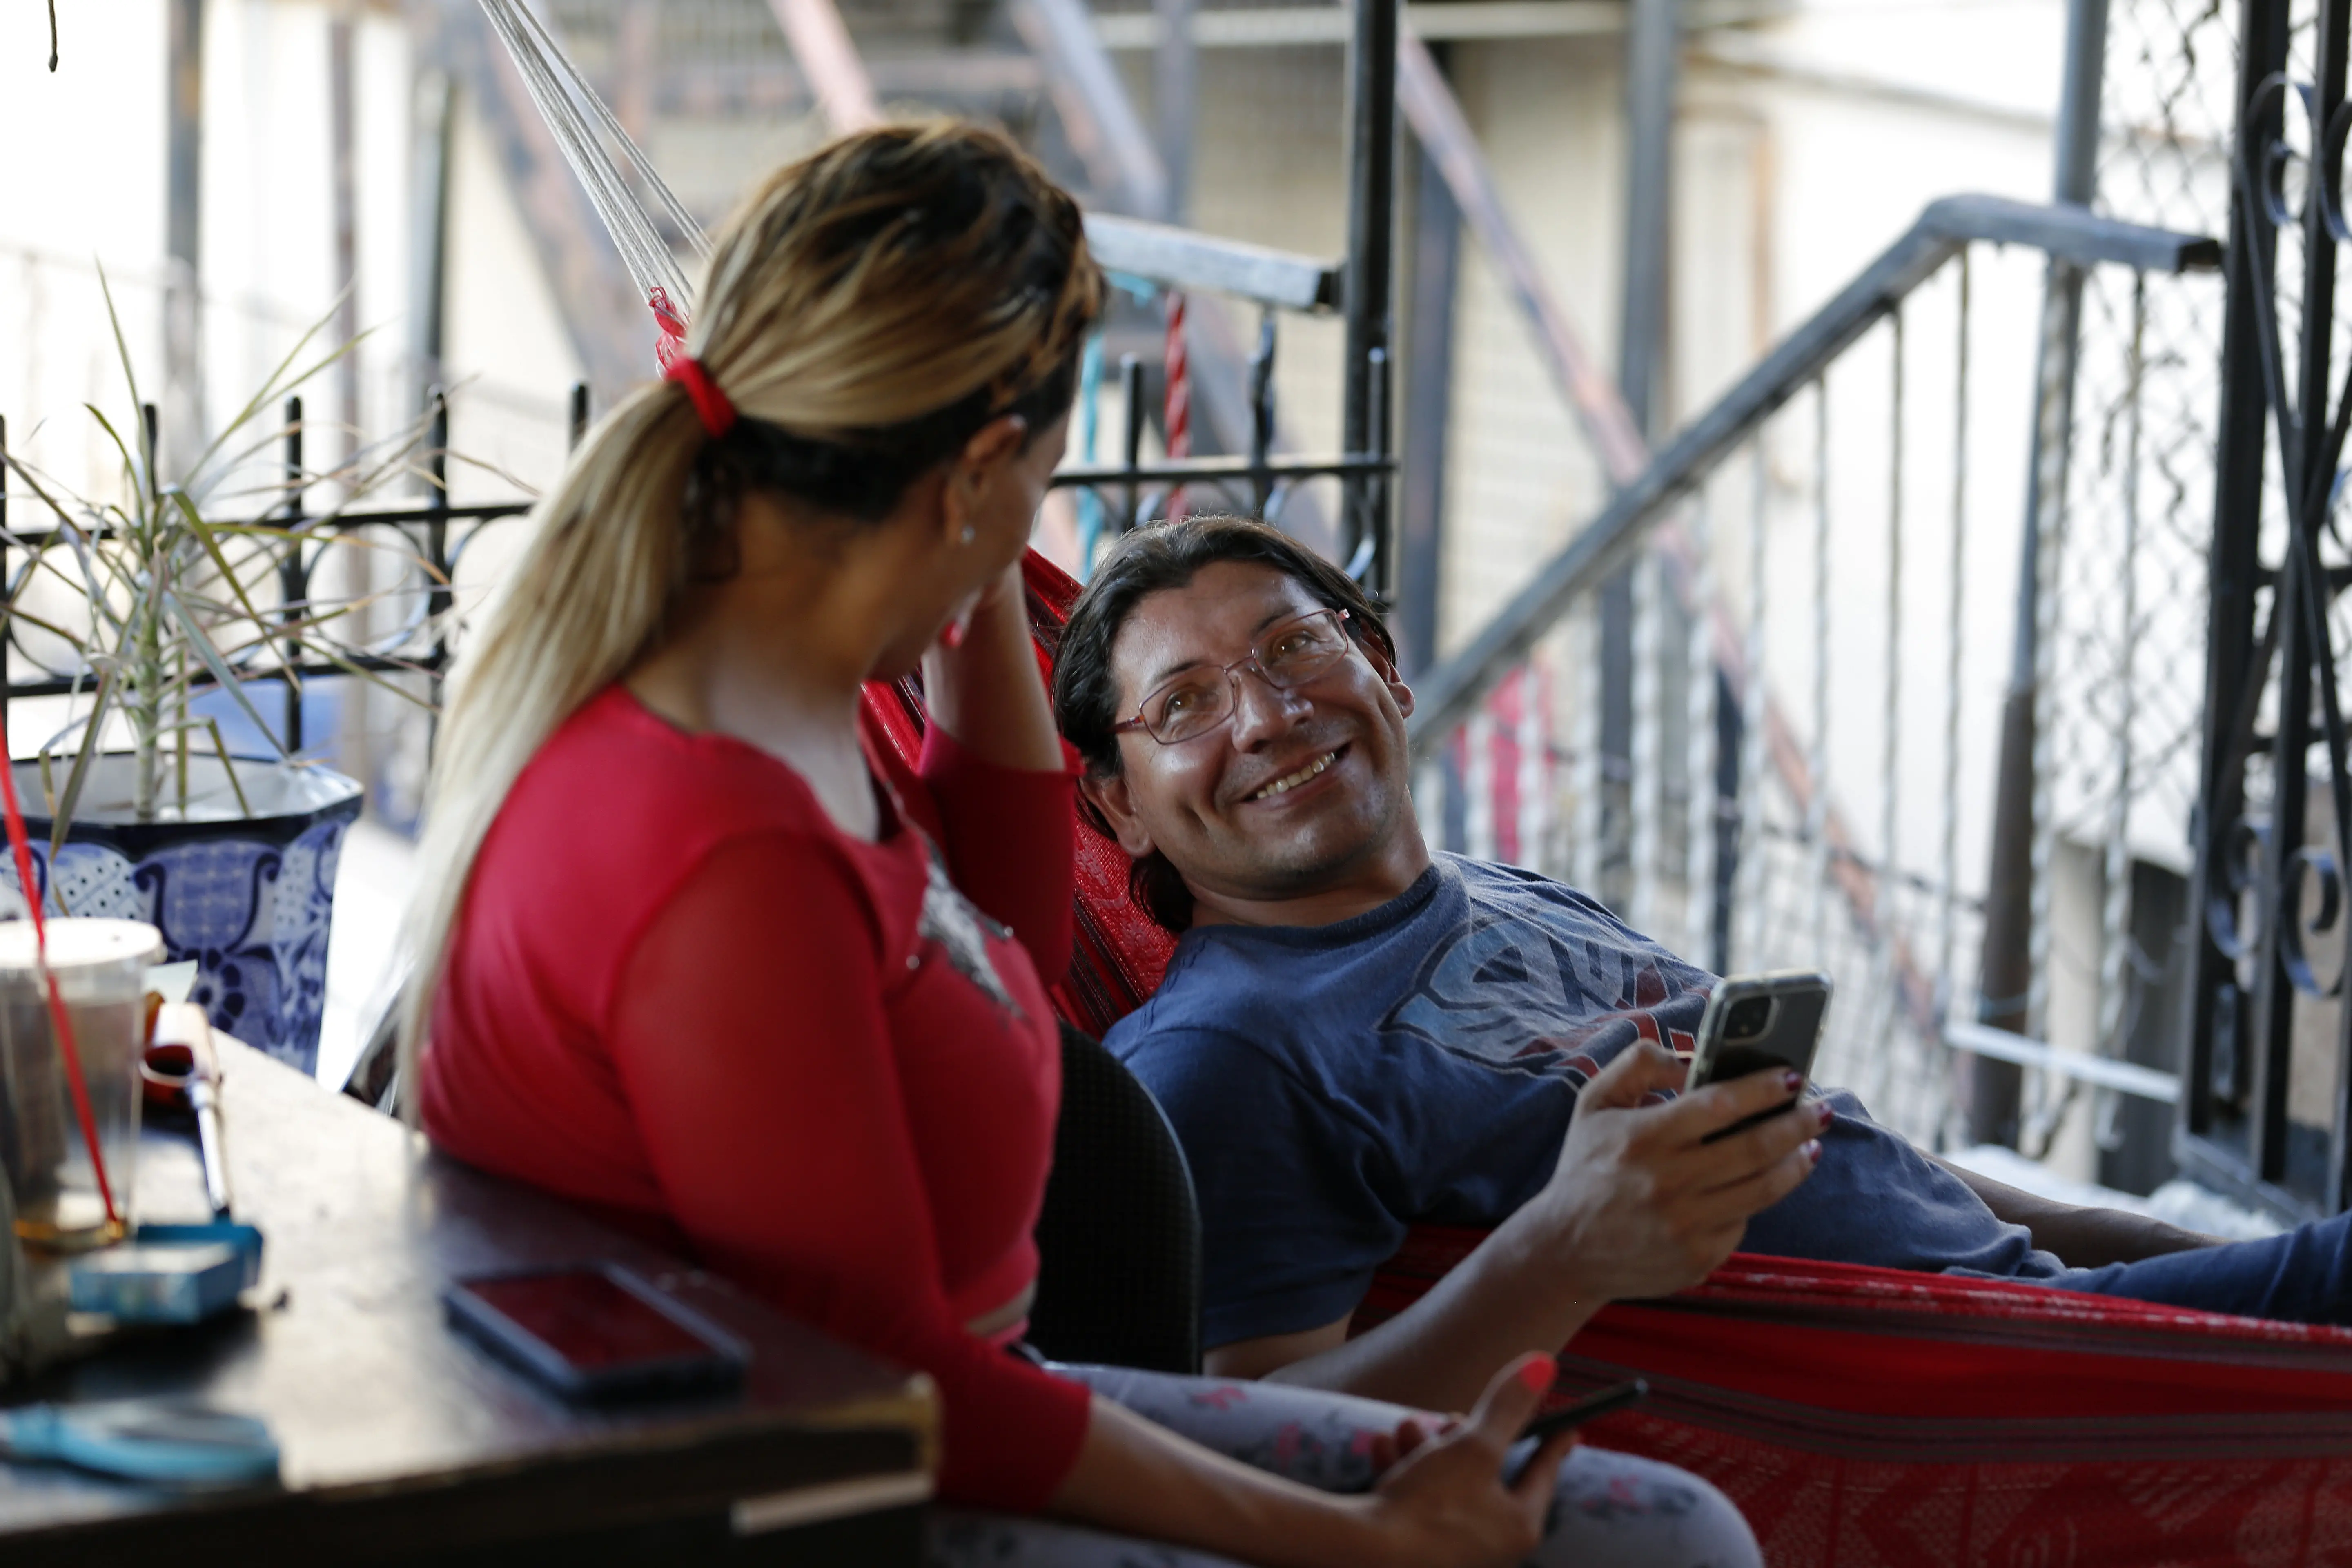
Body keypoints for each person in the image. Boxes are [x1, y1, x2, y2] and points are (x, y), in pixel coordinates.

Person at [405, 124, 1764, 1568]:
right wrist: (1353, 1540)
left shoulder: (769, 705)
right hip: (807, 1496)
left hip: (937, 1424)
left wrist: (979, 538)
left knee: (1649, 1529)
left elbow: (1000, 929)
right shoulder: (722, 852)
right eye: (1038, 478)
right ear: (979, 467)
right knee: (1644, 1550)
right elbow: (896, 1389)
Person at [1050, 512, 2352, 1415]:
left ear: (1381, 669)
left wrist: (2150, 1263)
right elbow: (1254, 1428)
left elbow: (1814, 1145)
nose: (1270, 715)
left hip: (2056, 1316)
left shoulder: (1506, 896)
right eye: (1183, 706)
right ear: (1116, 804)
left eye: (1296, 648)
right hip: (1964, 1397)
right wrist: (1556, 1255)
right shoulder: (1223, 1057)